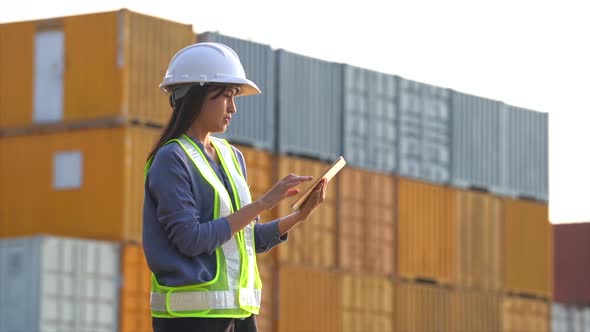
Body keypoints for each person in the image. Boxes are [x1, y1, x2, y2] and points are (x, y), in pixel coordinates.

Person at [142, 42, 328, 332]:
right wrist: (262, 204)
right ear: (197, 95)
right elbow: (191, 240)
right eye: (226, 96)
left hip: (239, 317)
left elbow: (243, 238)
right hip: (191, 323)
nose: (233, 107)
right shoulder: (171, 159)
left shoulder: (231, 156)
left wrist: (299, 216)